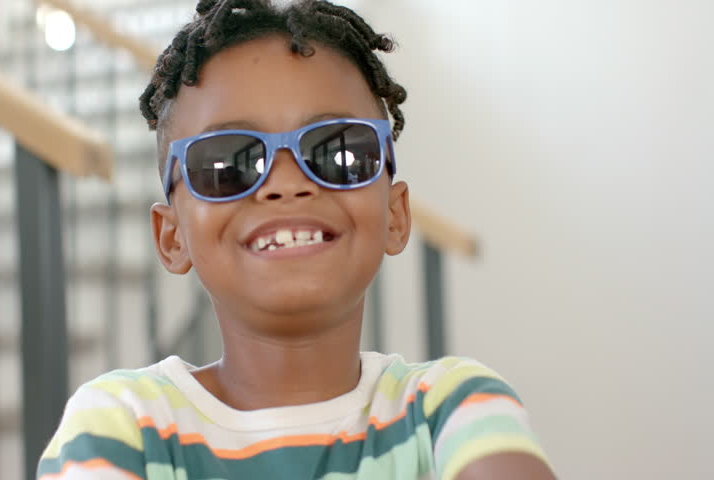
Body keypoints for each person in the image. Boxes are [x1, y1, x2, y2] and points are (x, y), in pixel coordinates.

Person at [37, 1, 555, 478]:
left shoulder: (451, 407)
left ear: (395, 215)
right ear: (172, 238)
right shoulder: (123, 422)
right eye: (226, 163)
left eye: (339, 152)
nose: (287, 183)